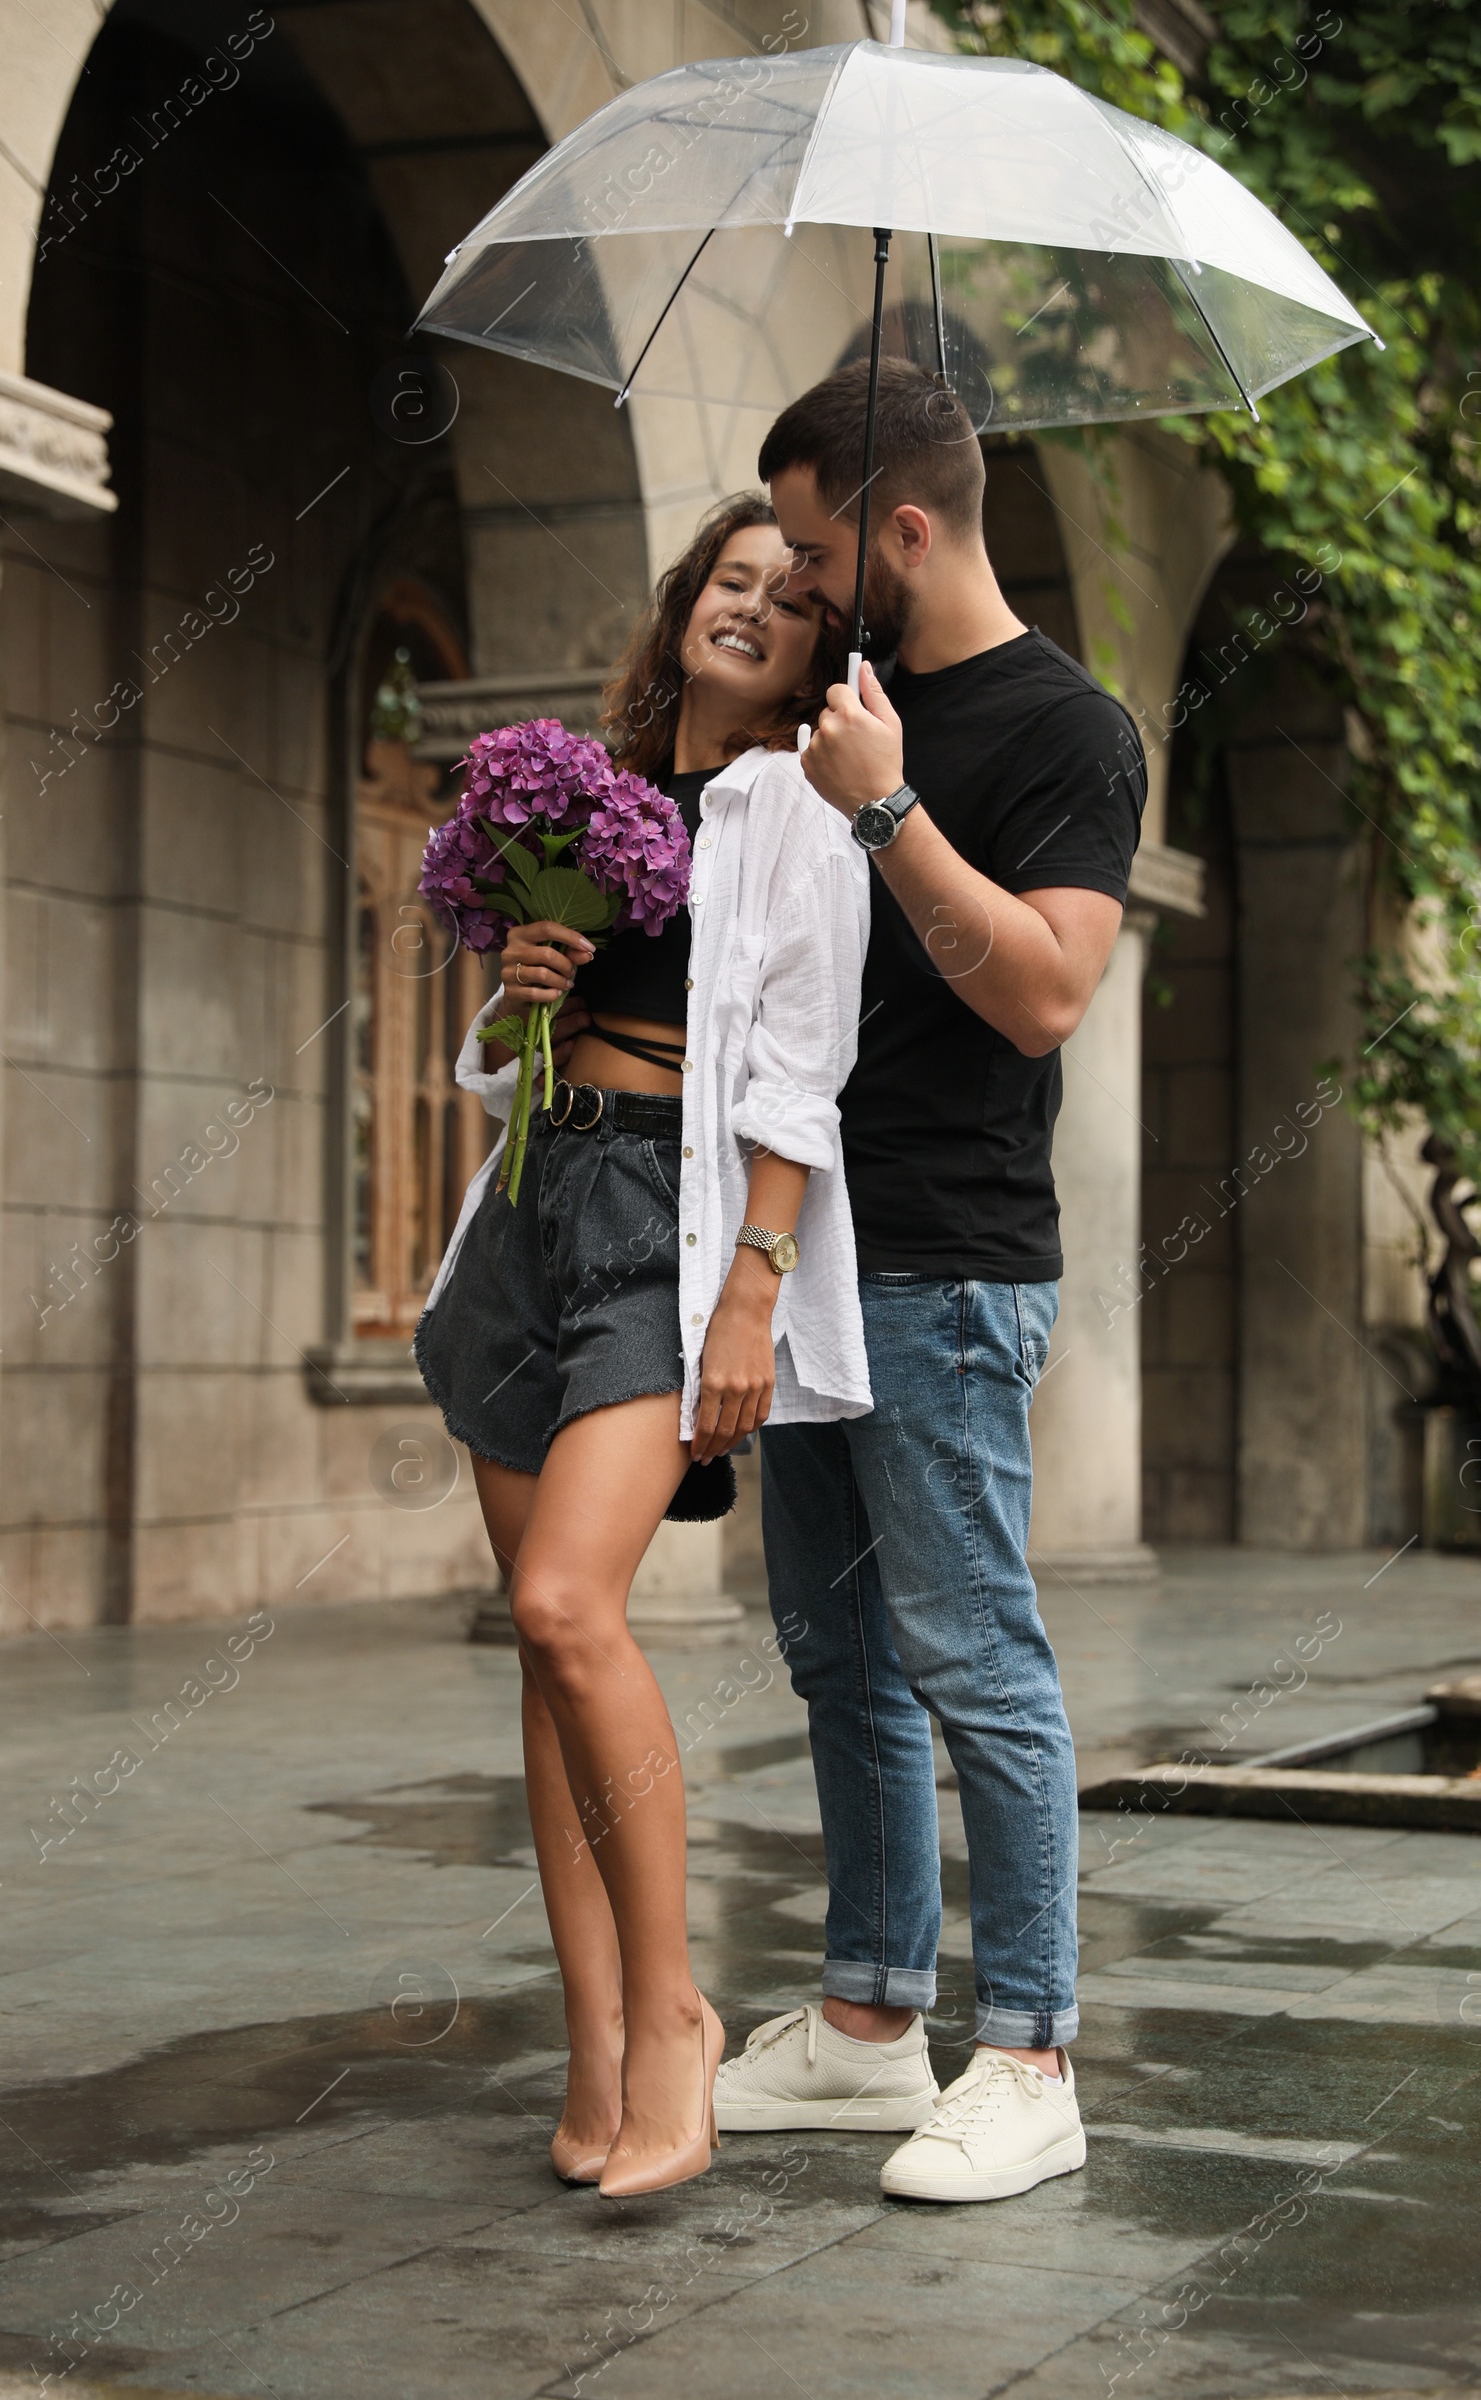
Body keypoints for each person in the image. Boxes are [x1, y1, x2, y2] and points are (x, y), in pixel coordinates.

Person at [712, 359, 1146, 2204]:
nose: (797, 583)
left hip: (948, 1261)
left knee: (975, 1653)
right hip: (807, 1244)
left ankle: (1033, 2050)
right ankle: (877, 2024)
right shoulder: (832, 700)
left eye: (815, 549)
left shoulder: (1073, 729)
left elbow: (1047, 993)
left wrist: (890, 811)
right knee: (840, 1657)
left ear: (903, 529)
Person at [415, 496, 873, 2198]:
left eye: (792, 596)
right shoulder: (594, 795)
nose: (753, 604)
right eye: (732, 579)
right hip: (533, 1207)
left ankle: (676, 2016)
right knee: (542, 1663)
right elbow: (494, 1065)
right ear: (690, 602)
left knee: (566, 1607)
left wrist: (753, 1287)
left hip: (659, 1249)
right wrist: (520, 993)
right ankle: (594, 2047)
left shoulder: (795, 808)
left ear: (823, 649)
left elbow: (801, 1071)